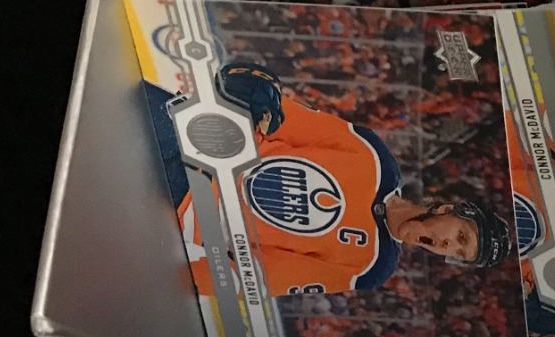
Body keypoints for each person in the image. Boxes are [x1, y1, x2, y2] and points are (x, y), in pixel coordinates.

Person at [170, 62, 513, 297]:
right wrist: (253, 95)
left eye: (459, 253)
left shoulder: (372, 266)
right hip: (194, 140)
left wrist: (178, 282)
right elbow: (281, 117)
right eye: (460, 236)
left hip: (182, 210)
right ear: (450, 209)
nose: (447, 247)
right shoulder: (374, 158)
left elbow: (263, 275)